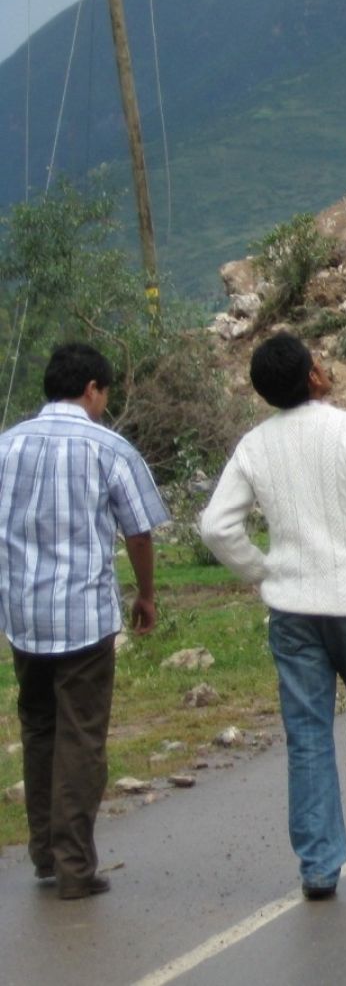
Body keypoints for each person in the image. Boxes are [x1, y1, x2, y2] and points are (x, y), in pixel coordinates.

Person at [200, 332, 346, 901]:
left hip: (292, 611)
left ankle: (320, 867)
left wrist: (263, 571)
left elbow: (217, 526)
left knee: (308, 734)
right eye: (318, 362)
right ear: (314, 376)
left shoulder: (254, 446)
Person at [1, 342, 166, 900]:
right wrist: (145, 594)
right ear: (92, 389)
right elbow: (139, 532)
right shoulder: (109, 448)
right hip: (85, 617)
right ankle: (75, 867)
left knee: (39, 726)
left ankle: (45, 856)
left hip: (23, 617)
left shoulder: (8, 445)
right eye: (104, 394)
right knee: (82, 734)